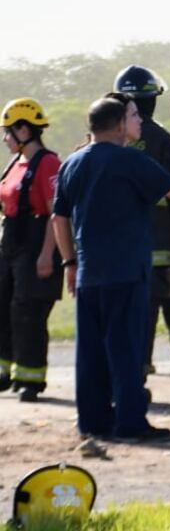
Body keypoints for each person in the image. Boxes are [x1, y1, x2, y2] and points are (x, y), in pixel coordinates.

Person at [52, 96, 170, 441]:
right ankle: (131, 423)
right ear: (116, 125)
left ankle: (94, 423)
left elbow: (60, 217)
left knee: (91, 352)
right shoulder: (130, 160)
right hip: (125, 272)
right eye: (132, 116)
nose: (139, 121)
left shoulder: (71, 163)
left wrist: (69, 262)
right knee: (126, 349)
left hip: (89, 275)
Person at [113, 66, 170, 376]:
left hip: (126, 241)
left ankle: (142, 360)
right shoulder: (163, 139)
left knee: (141, 304)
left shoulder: (115, 140)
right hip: (162, 238)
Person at [0, 98, 63, 402]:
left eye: (8, 132)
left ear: (24, 130)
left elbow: (56, 213)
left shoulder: (48, 163)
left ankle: (31, 378)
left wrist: (46, 254)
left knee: (28, 312)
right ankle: (5, 371)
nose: (5, 138)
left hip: (36, 245)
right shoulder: (16, 164)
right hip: (12, 245)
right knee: (5, 307)